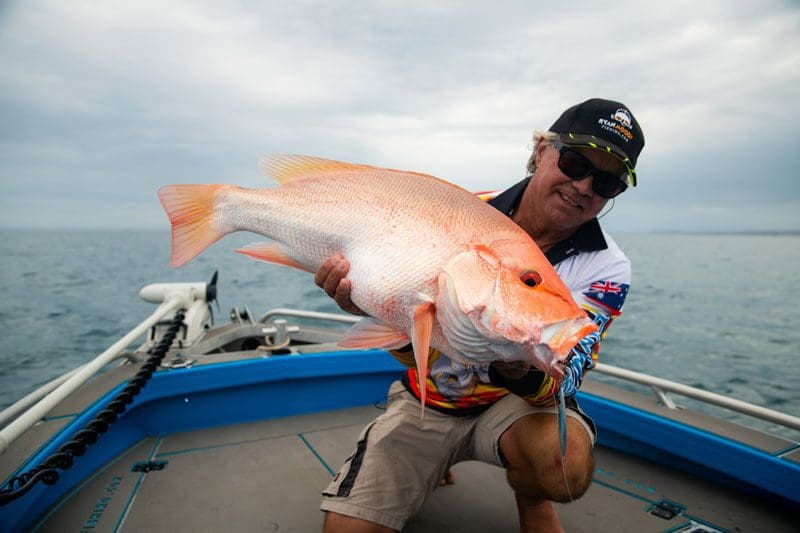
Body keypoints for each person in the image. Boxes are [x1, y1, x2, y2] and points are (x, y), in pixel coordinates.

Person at [315, 98, 645, 532]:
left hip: (513, 408)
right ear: (541, 151)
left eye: (607, 182)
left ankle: (531, 498)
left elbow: (565, 378)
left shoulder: (607, 266)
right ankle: (430, 461)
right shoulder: (460, 215)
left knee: (564, 468)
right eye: (575, 162)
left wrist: (512, 358)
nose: (585, 186)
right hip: (428, 400)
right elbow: (412, 334)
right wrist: (377, 308)